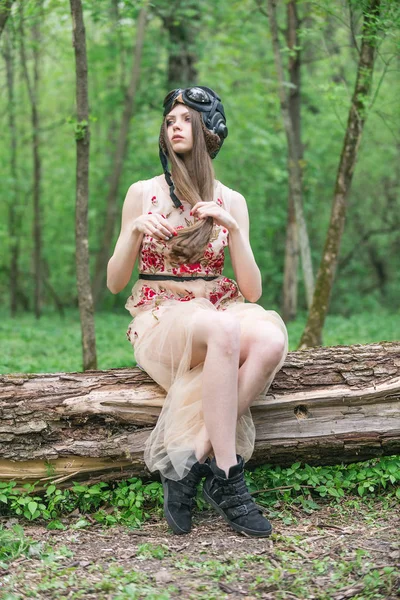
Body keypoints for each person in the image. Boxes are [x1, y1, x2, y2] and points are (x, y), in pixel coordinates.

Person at [107, 86, 288, 538]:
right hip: (162, 315)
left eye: (186, 119)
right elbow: (113, 283)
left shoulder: (231, 201)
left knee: (270, 339)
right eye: (170, 121)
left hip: (220, 307)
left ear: (209, 131)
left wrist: (234, 232)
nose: (175, 126)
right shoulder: (143, 193)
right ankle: (228, 474)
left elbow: (252, 289)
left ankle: (188, 464)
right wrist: (132, 233)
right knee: (223, 327)